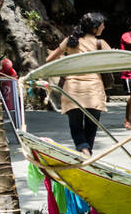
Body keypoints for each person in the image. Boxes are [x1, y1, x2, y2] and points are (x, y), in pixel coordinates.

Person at [45, 12, 111, 156]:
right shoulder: (100, 44)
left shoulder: (70, 41)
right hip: (94, 91)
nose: (104, 26)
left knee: (76, 128)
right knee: (90, 130)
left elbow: (49, 59)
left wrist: (67, 65)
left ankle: (83, 151)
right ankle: (87, 155)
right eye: (102, 24)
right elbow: (112, 62)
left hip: (72, 90)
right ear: (95, 28)